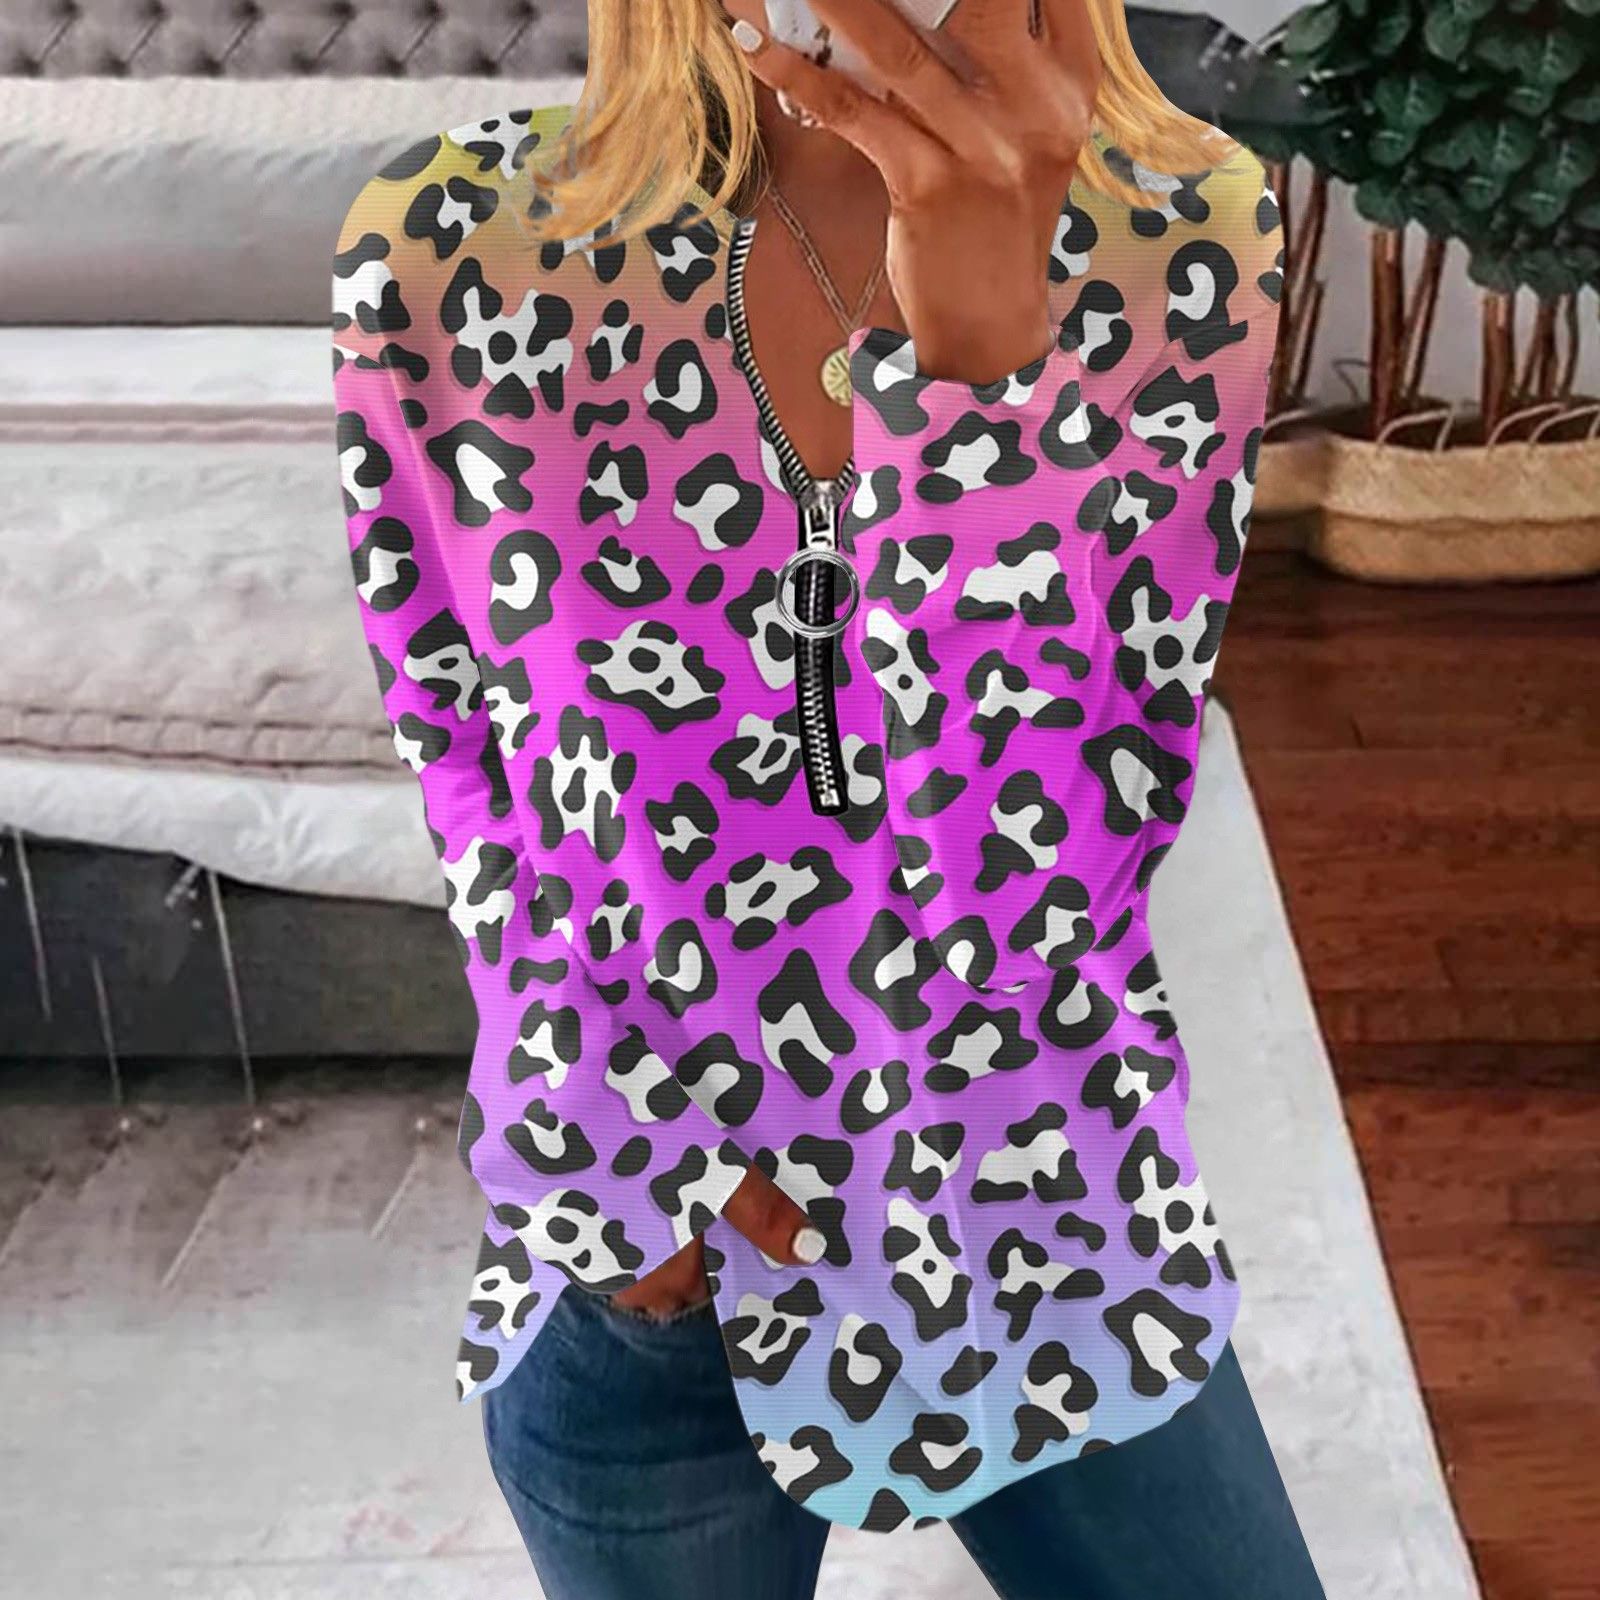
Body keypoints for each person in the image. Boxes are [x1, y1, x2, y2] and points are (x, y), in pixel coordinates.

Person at [329, 0, 1323, 1592]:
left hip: (1039, 1213)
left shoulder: (1179, 236)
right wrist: (612, 1166)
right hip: (652, 1249)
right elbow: (463, 754)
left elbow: (1049, 900)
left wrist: (982, 382)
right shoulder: (457, 243)